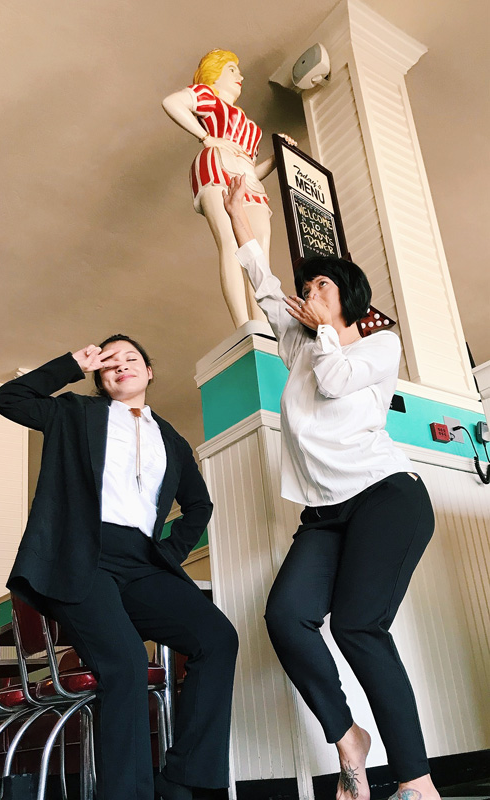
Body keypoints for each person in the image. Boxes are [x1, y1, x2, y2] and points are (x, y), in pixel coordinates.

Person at [223, 175, 441, 800]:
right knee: (286, 616)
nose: (307, 293)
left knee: (357, 626)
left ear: (347, 298)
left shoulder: (376, 346)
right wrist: (246, 226)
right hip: (323, 513)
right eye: (307, 285)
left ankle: (416, 781)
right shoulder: (300, 347)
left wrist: (320, 331)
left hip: (386, 497)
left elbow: (340, 379)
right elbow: (262, 284)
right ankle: (348, 737)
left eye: (320, 285)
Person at [0, 335, 238, 800]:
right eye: (109, 363)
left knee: (218, 638)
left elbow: (199, 505)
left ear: (149, 372)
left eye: (132, 359)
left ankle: (184, 778)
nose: (121, 365)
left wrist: (169, 551)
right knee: (124, 663)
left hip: (144, 559)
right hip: (84, 554)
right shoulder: (74, 414)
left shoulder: (172, 440)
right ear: (100, 379)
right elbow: (6, 398)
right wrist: (71, 364)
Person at [163, 48, 294, 328]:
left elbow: (253, 169)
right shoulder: (207, 96)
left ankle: (263, 324)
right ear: (215, 74)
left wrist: (277, 158)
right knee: (230, 242)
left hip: (249, 178)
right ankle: (244, 325)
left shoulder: (247, 123)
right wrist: (207, 137)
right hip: (216, 167)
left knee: (259, 248)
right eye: (232, 70)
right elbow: (172, 102)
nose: (241, 76)